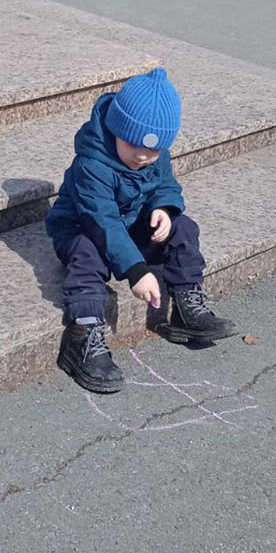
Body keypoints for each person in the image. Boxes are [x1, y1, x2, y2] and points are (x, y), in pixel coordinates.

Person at [45, 68, 238, 394]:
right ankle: (82, 335)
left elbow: (165, 185)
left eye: (154, 152)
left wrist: (162, 208)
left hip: (129, 226)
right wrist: (135, 270)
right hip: (86, 228)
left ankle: (186, 307)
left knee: (183, 228)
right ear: (115, 129)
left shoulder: (154, 156)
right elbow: (102, 221)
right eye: (133, 145)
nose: (143, 156)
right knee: (87, 253)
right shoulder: (91, 164)